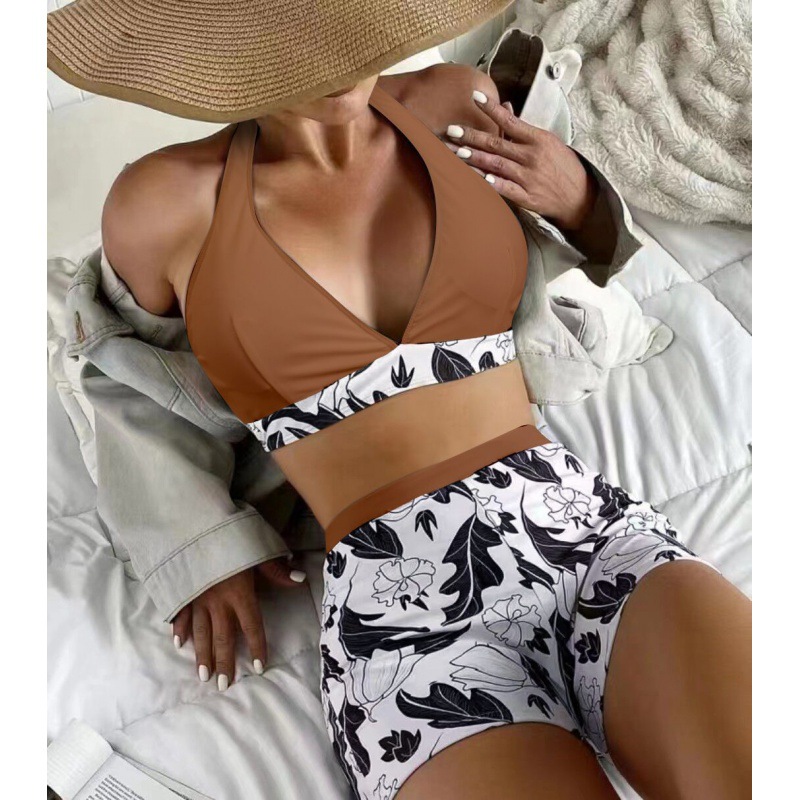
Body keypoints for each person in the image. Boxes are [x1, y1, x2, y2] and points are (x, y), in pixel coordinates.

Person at [48, 2, 751, 798]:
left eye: (352, 24)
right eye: (294, 43)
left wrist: (581, 196)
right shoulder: (164, 204)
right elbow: (129, 386)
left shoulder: (456, 103)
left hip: (584, 535)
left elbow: (588, 245)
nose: (340, 62)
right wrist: (195, 545)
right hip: (404, 625)